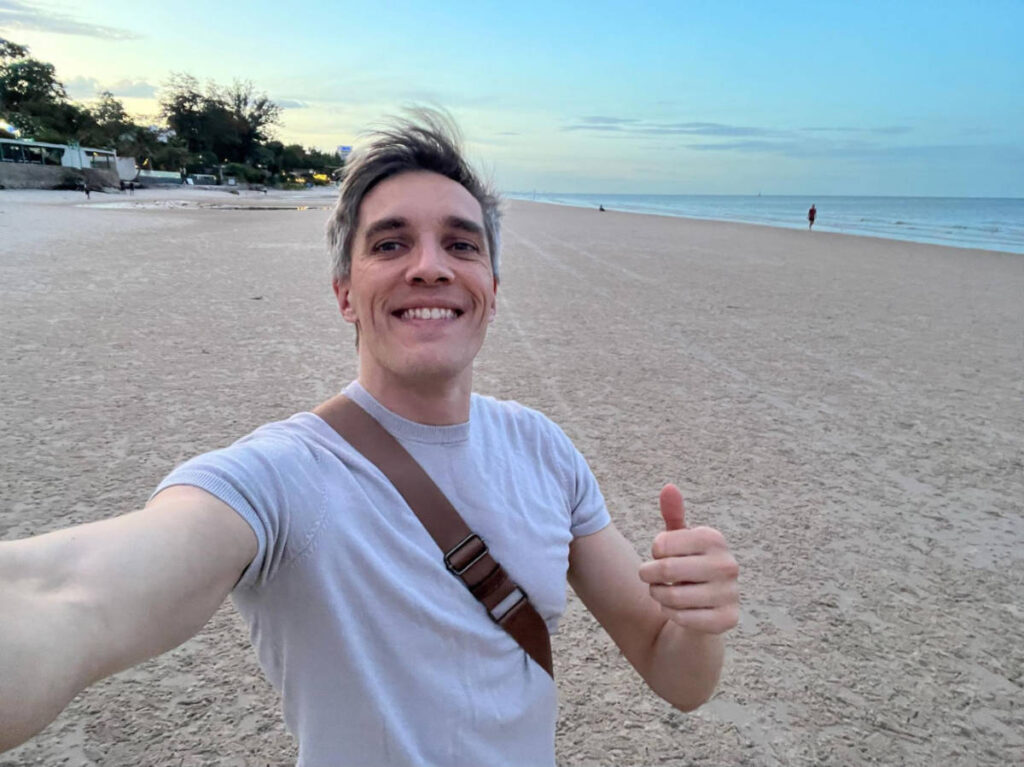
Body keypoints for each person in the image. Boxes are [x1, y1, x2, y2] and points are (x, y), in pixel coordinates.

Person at [0, 111, 739, 765]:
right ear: (344, 293)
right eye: (390, 245)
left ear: (490, 288)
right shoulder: (285, 476)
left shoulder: (544, 450)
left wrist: (699, 622)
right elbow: (72, 591)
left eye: (462, 244)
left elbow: (674, 674)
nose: (429, 266)